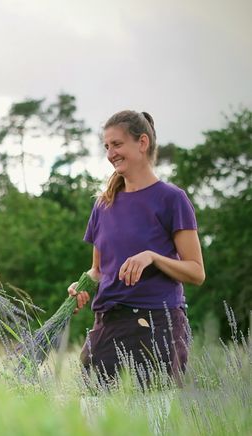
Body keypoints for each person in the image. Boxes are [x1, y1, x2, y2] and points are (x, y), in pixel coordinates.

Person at [69, 110, 205, 386]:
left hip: (157, 326)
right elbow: (98, 270)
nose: (110, 153)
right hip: (107, 326)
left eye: (117, 144)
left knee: (153, 422)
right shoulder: (103, 205)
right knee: (92, 420)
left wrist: (152, 257)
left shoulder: (172, 199)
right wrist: (82, 286)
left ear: (142, 143)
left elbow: (196, 272)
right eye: (107, 146)